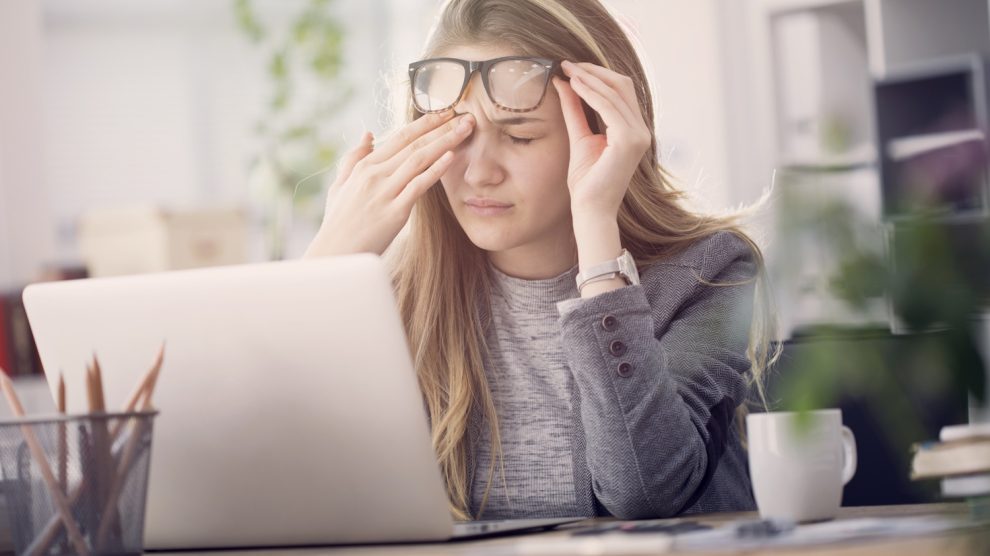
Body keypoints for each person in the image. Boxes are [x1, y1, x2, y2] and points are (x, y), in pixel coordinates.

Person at [304, 0, 777, 521]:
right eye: (456, 134)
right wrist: (327, 264)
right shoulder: (393, 288)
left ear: (602, 135)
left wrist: (597, 223)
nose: (479, 172)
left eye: (520, 136)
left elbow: (644, 491)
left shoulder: (708, 273)